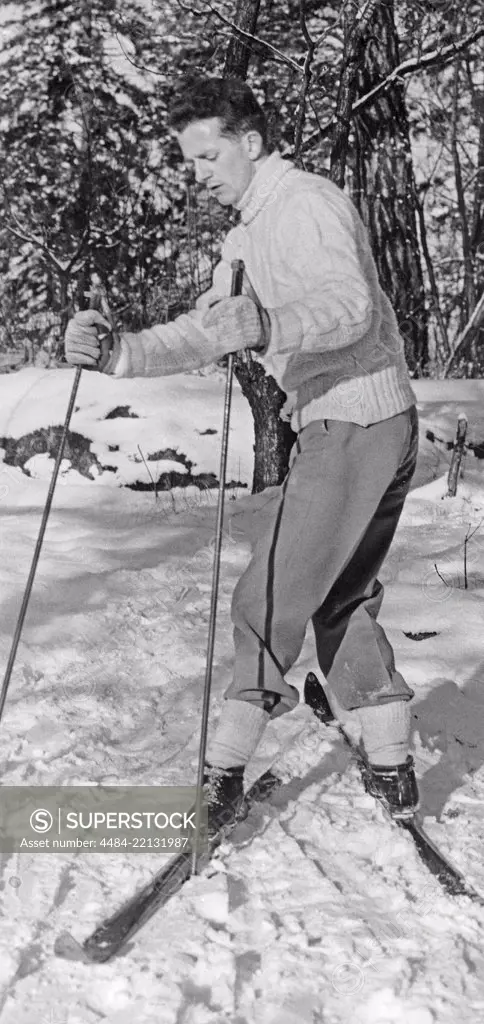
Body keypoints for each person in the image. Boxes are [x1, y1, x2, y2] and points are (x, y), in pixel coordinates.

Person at [64, 75, 420, 831]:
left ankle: (223, 770)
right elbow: (208, 330)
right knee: (337, 593)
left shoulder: (303, 202)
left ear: (251, 143)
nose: (197, 174)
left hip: (352, 417)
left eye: (206, 156)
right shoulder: (245, 235)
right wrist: (118, 353)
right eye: (188, 161)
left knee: (266, 598)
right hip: (370, 420)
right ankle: (391, 757)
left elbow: (348, 306)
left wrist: (268, 323)